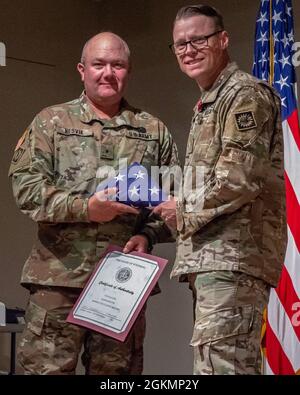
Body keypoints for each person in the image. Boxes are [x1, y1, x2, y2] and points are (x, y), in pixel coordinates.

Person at [9, 32, 178, 375]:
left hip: (123, 282)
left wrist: (147, 235)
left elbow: (175, 201)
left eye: (118, 65)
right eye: (99, 64)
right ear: (81, 70)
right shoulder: (51, 122)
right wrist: (86, 208)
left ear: (128, 71)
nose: (108, 72)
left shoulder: (153, 131)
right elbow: (26, 189)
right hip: (58, 282)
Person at [153, 5, 286, 375]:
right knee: (218, 366)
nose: (188, 49)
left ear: (223, 40)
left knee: (223, 367)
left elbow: (237, 180)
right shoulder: (210, 101)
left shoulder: (244, 95)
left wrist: (179, 207)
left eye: (199, 39)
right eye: (180, 43)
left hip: (234, 260)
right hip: (217, 261)